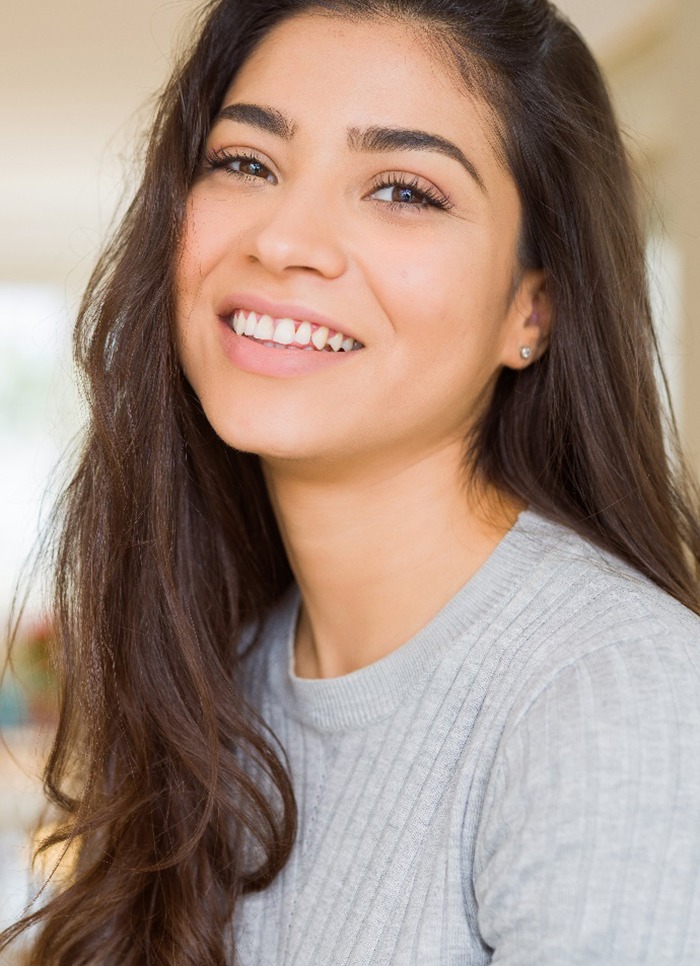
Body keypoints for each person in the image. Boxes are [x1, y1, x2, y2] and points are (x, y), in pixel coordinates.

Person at [3, 0, 700, 962]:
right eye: (246, 163)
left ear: (529, 311)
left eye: (405, 190)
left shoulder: (614, 695)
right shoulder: (218, 674)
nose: (284, 240)